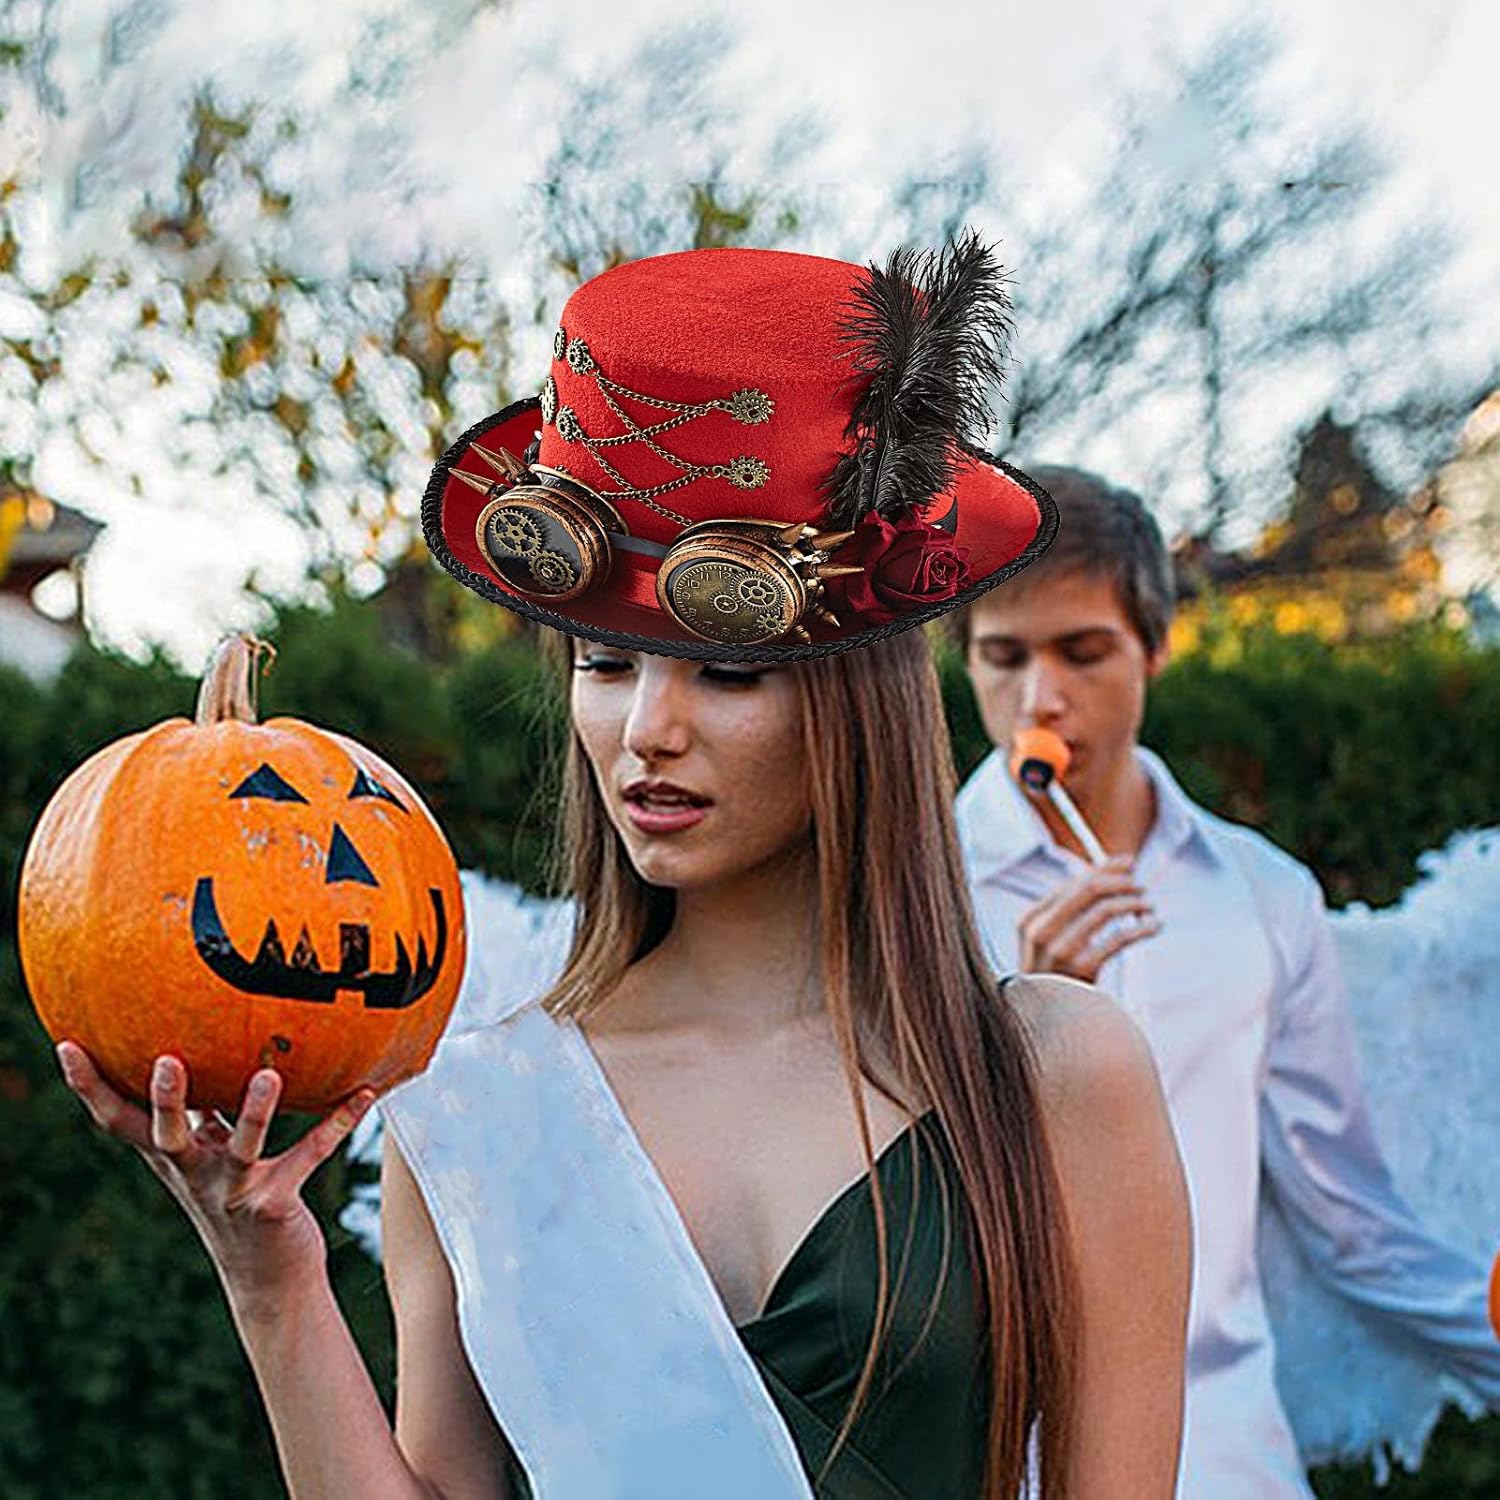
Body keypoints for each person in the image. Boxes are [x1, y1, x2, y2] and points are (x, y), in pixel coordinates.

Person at [53, 241, 1191, 1499]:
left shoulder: (1053, 1075)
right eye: (605, 663)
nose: (648, 727)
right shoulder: (479, 1112)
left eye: (728, 669)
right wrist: (270, 1276)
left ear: (860, 696)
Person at [947, 464, 1500, 1498]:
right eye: (1004, 656)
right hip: (1001, 1458)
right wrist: (1025, 1039)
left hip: (1231, 1454)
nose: (1040, 698)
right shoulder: (907, 890)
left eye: (1083, 653)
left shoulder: (1263, 893)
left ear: (1155, 647)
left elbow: (1348, 1212)